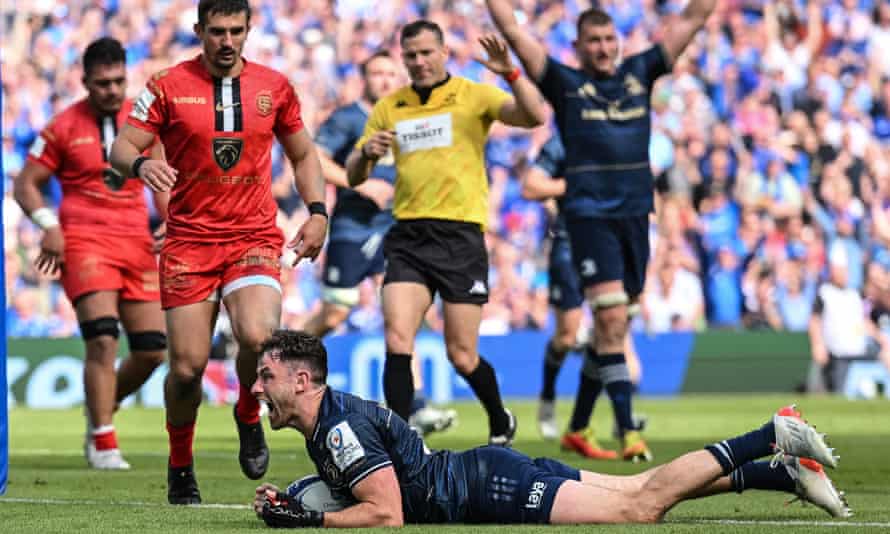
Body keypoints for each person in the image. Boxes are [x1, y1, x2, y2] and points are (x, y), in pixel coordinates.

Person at [250, 330, 850, 528]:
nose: (256, 389)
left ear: (303, 381)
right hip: (486, 472)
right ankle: (780, 473)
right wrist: (298, 495)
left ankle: (772, 433)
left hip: (490, 490)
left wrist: (313, 518)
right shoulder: (329, 423)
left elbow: (387, 514)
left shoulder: (338, 428)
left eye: (266, 376)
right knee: (636, 487)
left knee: (638, 508)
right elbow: (365, 479)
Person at [110, 0, 327, 504]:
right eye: (216, 31)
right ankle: (180, 464)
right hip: (189, 240)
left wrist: (317, 211)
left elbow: (303, 153)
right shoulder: (167, 85)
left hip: (252, 236)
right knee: (186, 367)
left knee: (258, 335)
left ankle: (248, 414)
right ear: (199, 30)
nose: (226, 41)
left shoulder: (274, 87)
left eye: (235, 30)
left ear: (249, 29)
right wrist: (142, 166)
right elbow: (121, 148)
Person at [485, 0, 720, 460]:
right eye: (593, 41)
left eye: (610, 39)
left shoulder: (641, 70)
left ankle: (576, 426)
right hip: (589, 219)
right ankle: (628, 429)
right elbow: (514, 33)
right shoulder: (566, 84)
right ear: (577, 46)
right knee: (611, 321)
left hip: (636, 218)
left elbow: (694, 18)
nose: (604, 48)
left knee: (615, 326)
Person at [344, 20, 547, 446]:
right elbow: (354, 173)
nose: (418, 62)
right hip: (408, 236)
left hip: (460, 238)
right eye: (411, 55)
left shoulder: (472, 95)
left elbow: (533, 115)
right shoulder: (390, 107)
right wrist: (365, 154)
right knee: (398, 338)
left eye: (426, 53)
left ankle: (499, 418)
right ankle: (396, 445)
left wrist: (509, 72)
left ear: (443, 53)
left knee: (462, 354)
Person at [14, 37, 167, 471]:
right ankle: (103, 440)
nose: (113, 90)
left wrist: (170, 220)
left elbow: (162, 181)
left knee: (153, 350)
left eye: (119, 81)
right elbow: (26, 183)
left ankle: (101, 406)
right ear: (85, 82)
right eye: (103, 83)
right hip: (83, 240)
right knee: (102, 336)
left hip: (136, 241)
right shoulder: (63, 126)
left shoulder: (142, 124)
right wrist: (49, 227)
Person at [303, 50, 455, 436]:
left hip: (395, 228)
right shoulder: (348, 117)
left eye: (391, 73)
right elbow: (314, 159)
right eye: (377, 72)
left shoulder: (408, 117)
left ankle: (415, 405)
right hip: (353, 229)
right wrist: (360, 182)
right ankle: (281, 354)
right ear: (363, 77)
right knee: (336, 313)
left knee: (401, 315)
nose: (385, 79)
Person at [521, 135, 643, 458]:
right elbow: (531, 187)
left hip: (610, 241)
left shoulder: (621, 135)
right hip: (569, 241)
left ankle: (602, 425)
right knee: (566, 336)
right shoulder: (561, 141)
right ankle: (548, 397)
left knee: (613, 329)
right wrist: (576, 185)